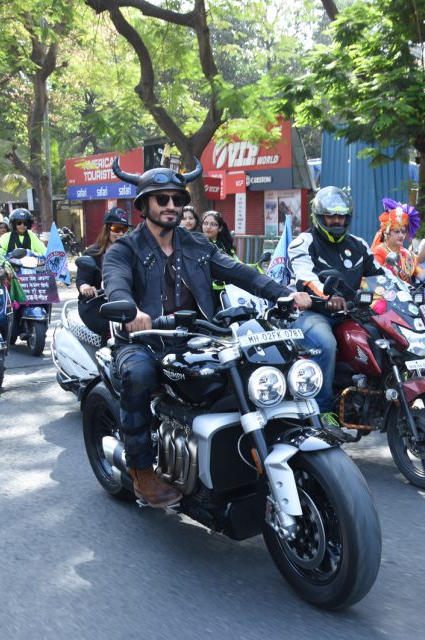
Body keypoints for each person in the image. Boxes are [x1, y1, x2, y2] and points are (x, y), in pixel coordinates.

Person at [107, 158, 311, 508]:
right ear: (144, 204)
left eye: (177, 199)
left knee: (251, 367)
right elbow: (116, 282)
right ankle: (141, 468)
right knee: (138, 375)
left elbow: (242, 273)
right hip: (144, 341)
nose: (171, 205)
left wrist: (284, 293)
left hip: (197, 337)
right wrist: (131, 311)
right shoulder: (124, 248)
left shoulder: (197, 245)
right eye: (162, 199)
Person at [288, 185, 384, 419]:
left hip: (351, 312)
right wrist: (328, 298)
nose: (337, 221)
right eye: (331, 216)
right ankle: (321, 411)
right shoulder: (304, 242)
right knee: (326, 343)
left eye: (342, 216)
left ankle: (378, 397)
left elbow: (381, 276)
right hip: (314, 313)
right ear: (319, 216)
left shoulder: (358, 245)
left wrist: (409, 291)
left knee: (385, 337)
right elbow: (306, 279)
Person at [76, 207, 131, 337]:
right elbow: (82, 279)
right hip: (98, 304)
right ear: (107, 229)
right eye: (116, 229)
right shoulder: (93, 253)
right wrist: (86, 288)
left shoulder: (131, 253)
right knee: (111, 333)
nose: (121, 233)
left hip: (125, 303)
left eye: (124, 229)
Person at [372, 206, 425, 284]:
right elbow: (373, 280)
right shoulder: (378, 252)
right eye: (396, 232)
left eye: (403, 232)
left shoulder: (407, 254)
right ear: (386, 233)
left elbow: (423, 275)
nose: (401, 235)